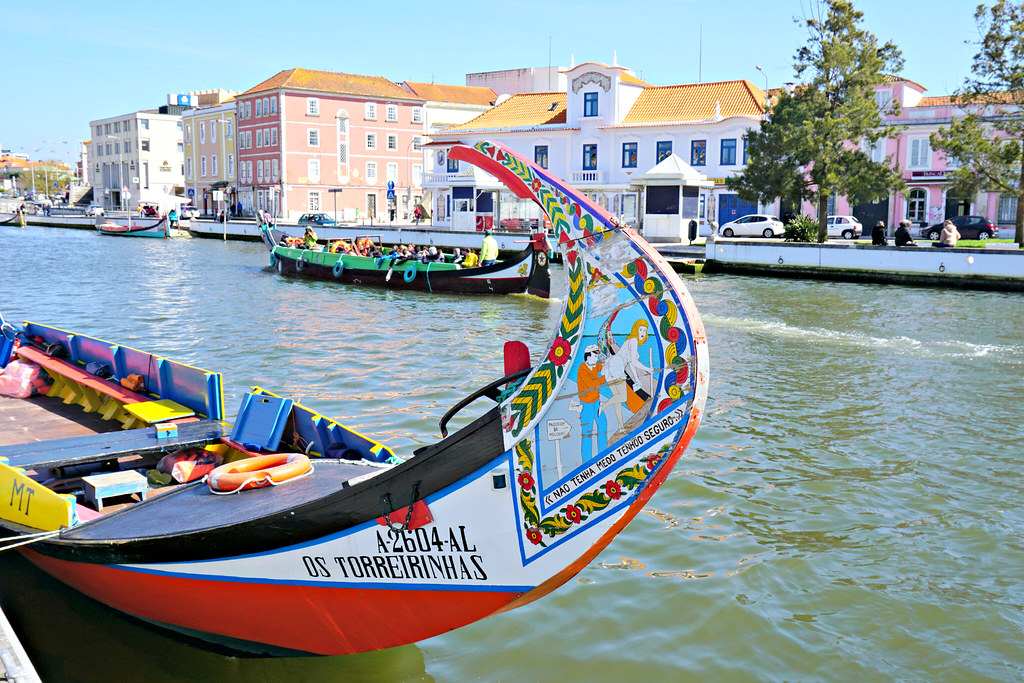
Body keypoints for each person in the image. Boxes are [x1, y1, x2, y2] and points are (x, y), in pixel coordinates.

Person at [575, 345, 608, 463]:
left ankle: (602, 455)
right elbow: (591, 385)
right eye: (594, 356)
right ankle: (586, 461)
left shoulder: (593, 365)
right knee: (587, 432)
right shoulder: (583, 369)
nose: (596, 358)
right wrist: (605, 377)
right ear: (588, 357)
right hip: (586, 405)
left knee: (603, 425)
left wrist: (606, 363)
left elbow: (601, 365)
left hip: (596, 402)